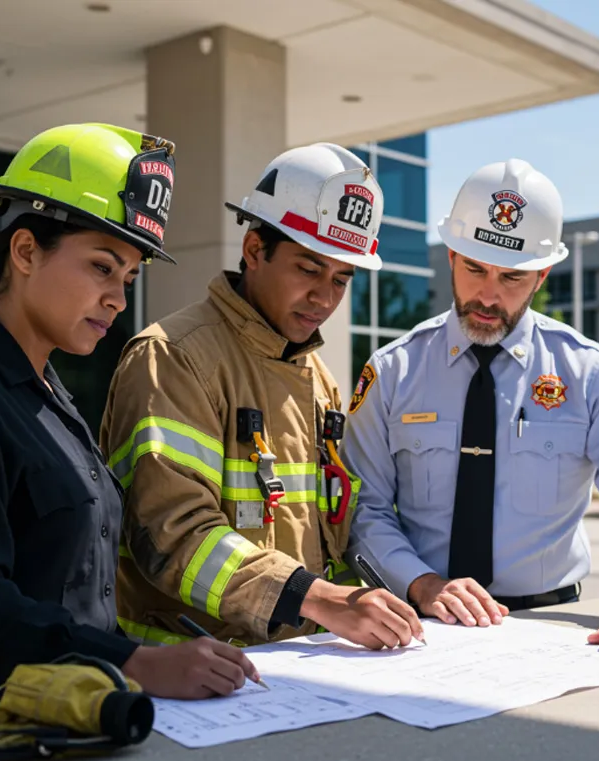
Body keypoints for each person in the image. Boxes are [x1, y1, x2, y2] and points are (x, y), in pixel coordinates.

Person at [0, 123, 258, 725]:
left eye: (128, 278)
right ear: (24, 252)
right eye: (102, 266)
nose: (119, 300)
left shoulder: (51, 395)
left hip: (79, 724)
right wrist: (138, 662)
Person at [341, 158, 599, 653]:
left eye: (511, 277)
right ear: (450, 257)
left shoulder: (588, 371)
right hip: (420, 623)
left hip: (554, 626)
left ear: (542, 276)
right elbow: (363, 508)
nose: (488, 295)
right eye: (474, 269)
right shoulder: (393, 372)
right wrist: (421, 584)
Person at [100, 143, 424, 651]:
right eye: (309, 268)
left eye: (342, 278)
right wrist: (318, 599)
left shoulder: (318, 376)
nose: (326, 297)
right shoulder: (172, 357)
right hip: (192, 674)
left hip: (301, 665)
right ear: (254, 251)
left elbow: (334, 528)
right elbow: (174, 535)